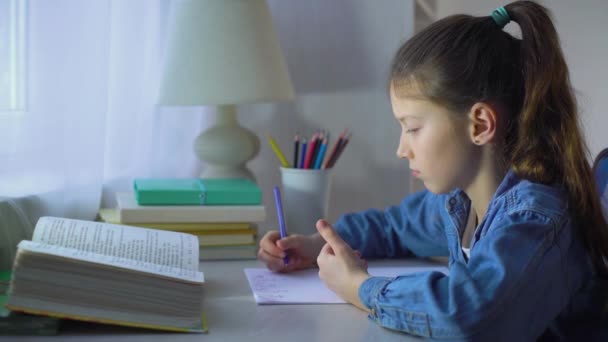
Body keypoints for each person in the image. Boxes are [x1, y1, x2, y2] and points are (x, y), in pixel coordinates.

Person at [258, 1, 608, 340]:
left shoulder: (537, 219)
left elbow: (470, 316)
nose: (401, 148)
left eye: (412, 128)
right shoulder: (459, 202)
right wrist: (312, 244)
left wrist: (360, 288)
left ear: (480, 124)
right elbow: (392, 227)